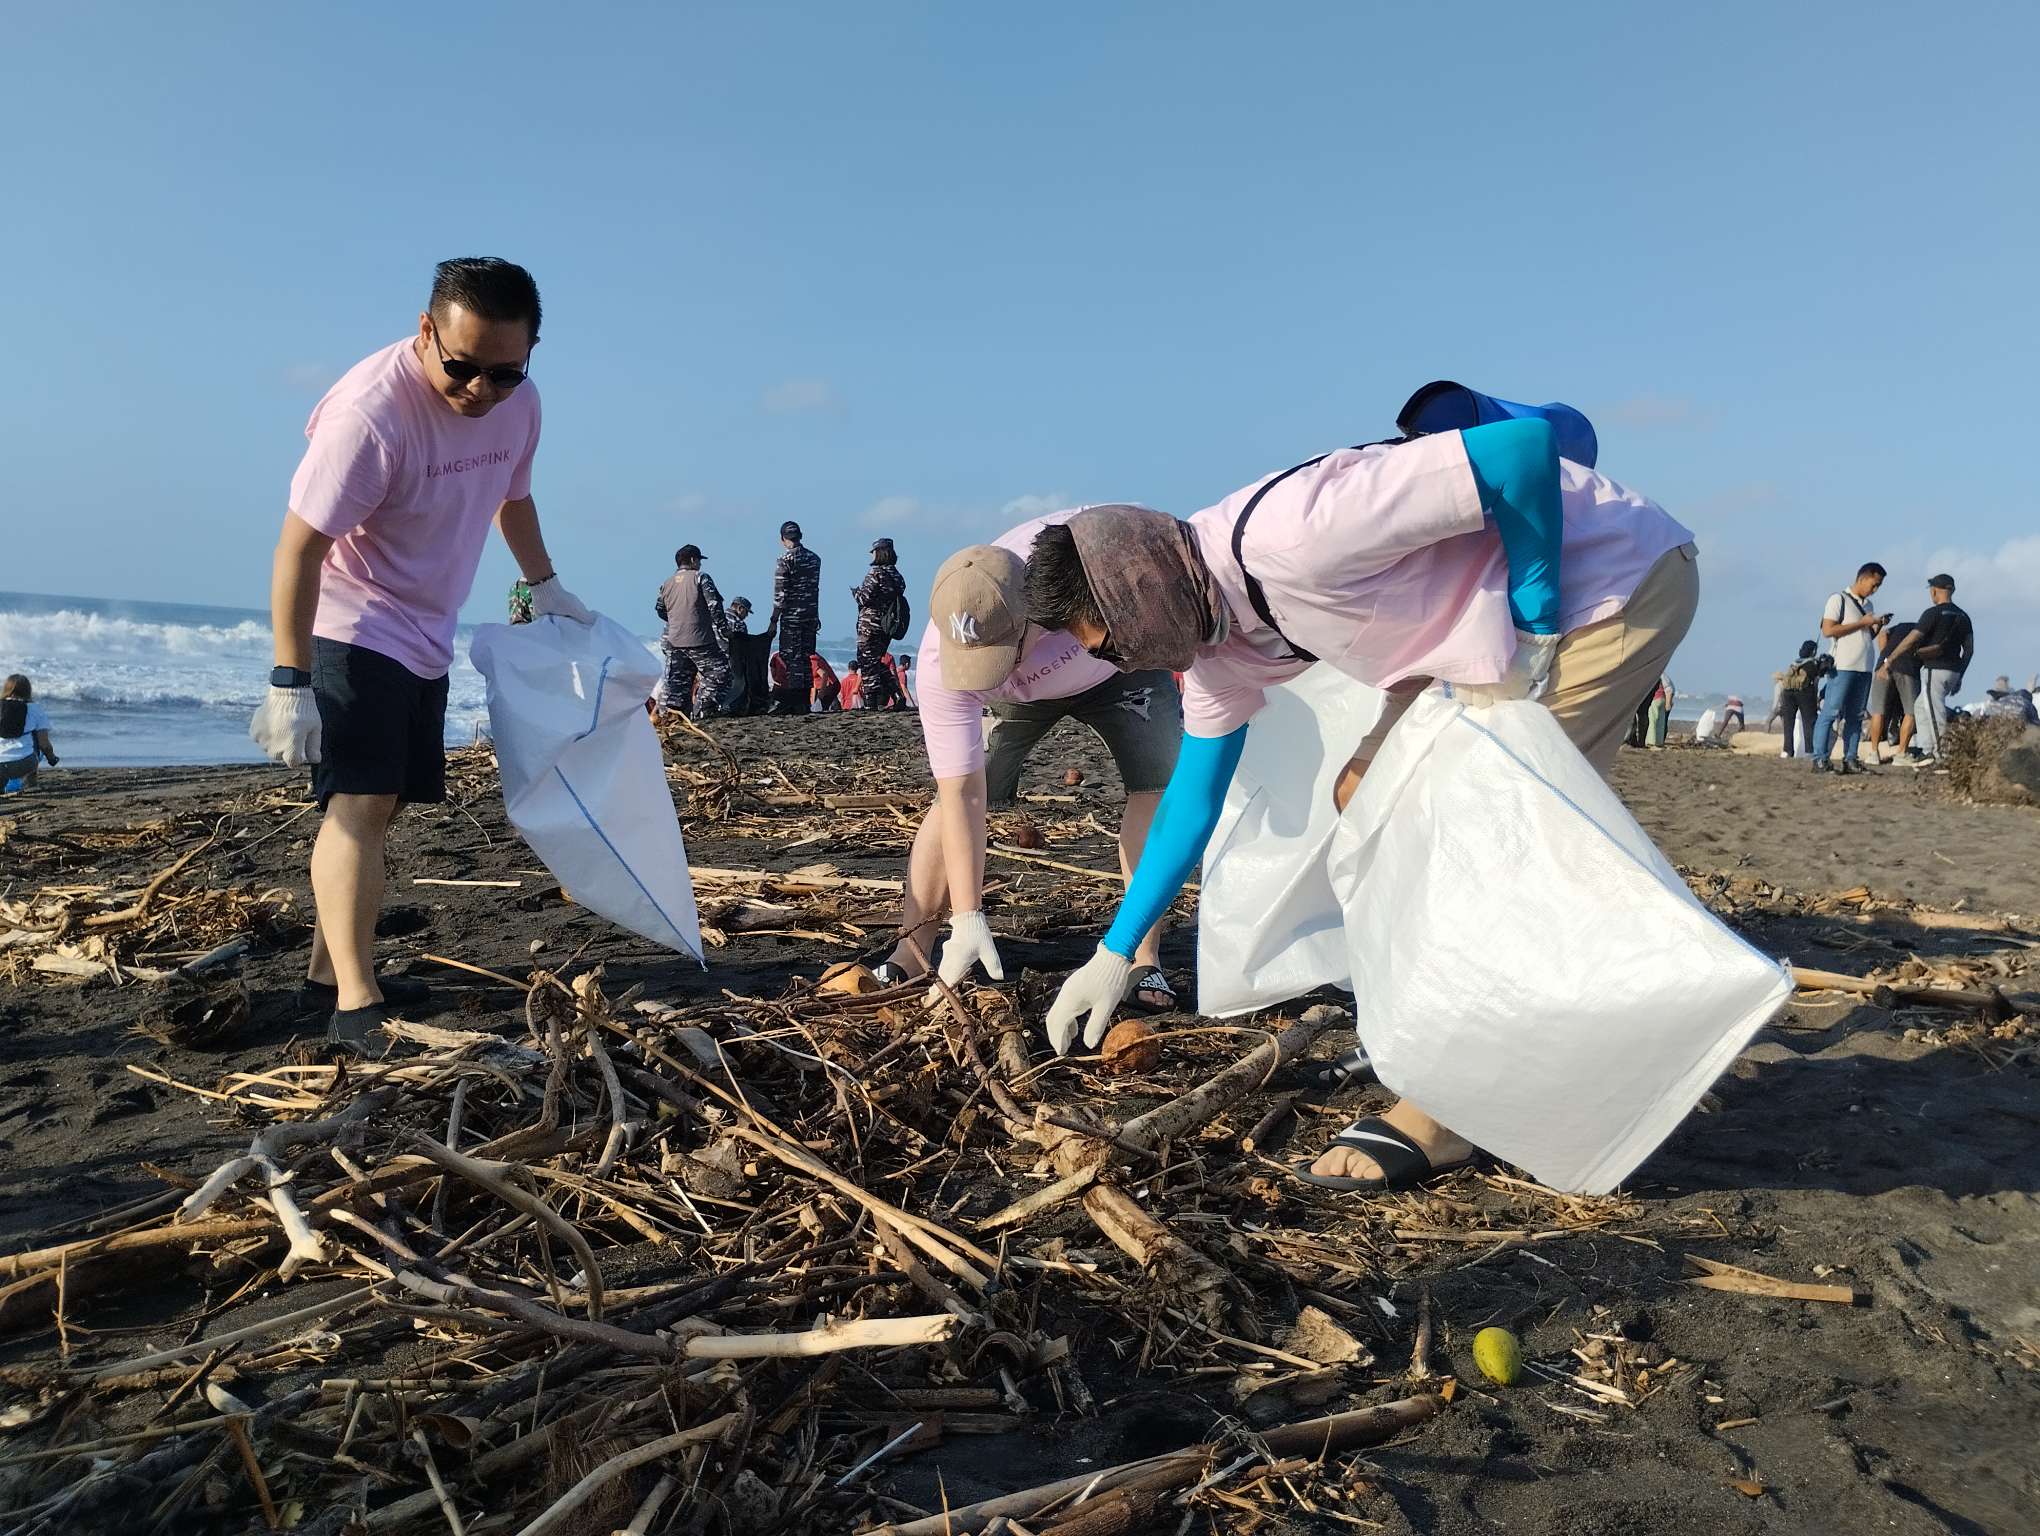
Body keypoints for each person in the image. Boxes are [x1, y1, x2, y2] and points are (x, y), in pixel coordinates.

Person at [1026, 413, 1698, 1192]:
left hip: (1604, 584)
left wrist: (1537, 615)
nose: (1116, 661)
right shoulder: (1213, 641)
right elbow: (1192, 799)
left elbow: (1518, 451)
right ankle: (1427, 1017)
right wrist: (1115, 951)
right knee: (1364, 790)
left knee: (1472, 829)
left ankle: (1448, 1111)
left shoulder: (1297, 533)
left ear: (1140, 591)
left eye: (1108, 640)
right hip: (1463, 628)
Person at [247, 258, 591, 1047]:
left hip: (428, 632)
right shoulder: (370, 418)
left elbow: (515, 495)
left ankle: (326, 973)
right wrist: (289, 681)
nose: (480, 390)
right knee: (359, 805)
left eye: (504, 373)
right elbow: (298, 550)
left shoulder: (518, 405)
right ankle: (358, 1006)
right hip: (351, 621)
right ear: (426, 331)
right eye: (462, 368)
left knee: (386, 802)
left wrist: (545, 584)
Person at [880, 521, 1183, 1011]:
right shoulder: (940, 663)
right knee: (950, 800)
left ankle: (1143, 959)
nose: (985, 668)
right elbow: (963, 794)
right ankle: (913, 950)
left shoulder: (1092, 567)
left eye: (999, 653)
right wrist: (969, 916)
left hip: (1119, 665)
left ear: (1036, 616)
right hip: (1021, 696)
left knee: (1155, 787)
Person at [1879, 574, 1973, 760]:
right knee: (1921, 707)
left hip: (1935, 670)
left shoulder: (1933, 613)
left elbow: (1911, 639)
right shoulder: (1963, 616)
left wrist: (1889, 660)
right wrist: (1960, 675)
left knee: (1934, 711)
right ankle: (1927, 749)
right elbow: (1969, 650)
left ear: (1934, 591)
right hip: (1953, 671)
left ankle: (1941, 755)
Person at [1811, 562, 1887, 774]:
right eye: (1874, 584)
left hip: (1864, 666)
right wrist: (1862, 623)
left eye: (1879, 586)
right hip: (1842, 665)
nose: (1875, 589)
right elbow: (1828, 630)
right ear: (1863, 578)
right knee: (1831, 712)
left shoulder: (1868, 605)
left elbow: (1865, 635)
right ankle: (1820, 758)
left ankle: (1850, 758)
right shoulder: (1838, 600)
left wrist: (1876, 625)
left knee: (1856, 715)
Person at [655, 545, 731, 718]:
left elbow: (660, 609)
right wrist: (724, 630)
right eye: (698, 560)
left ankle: (676, 715)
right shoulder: (700, 578)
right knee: (721, 673)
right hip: (699, 639)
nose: (700, 564)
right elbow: (714, 605)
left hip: (674, 640)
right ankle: (704, 708)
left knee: (679, 682)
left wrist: (676, 621)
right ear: (692, 560)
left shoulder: (667, 583)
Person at [770, 520, 822, 715]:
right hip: (810, 614)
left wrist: (774, 620)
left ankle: (793, 700)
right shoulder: (814, 559)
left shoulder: (784, 560)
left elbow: (780, 595)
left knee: (791, 658)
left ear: (783, 539)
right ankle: (803, 701)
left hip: (792, 617)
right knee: (806, 657)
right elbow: (814, 589)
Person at [852, 538, 909, 710]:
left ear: (879, 553)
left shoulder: (875, 573)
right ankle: (897, 694)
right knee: (876, 661)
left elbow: (864, 598)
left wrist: (855, 593)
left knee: (866, 661)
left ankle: (871, 702)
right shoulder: (897, 576)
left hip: (870, 624)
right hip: (887, 625)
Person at [1866, 613, 1920, 762]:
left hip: (1882, 668)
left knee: (1878, 711)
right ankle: (1901, 753)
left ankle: (1873, 753)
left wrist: (1885, 656)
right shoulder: (1925, 630)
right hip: (1907, 668)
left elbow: (1883, 633)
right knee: (1911, 712)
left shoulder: (1900, 626)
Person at [0, 675, 58, 791]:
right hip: (24, 764)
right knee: (35, 741)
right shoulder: (34, 708)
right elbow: (44, 745)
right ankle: (30, 783)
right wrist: (52, 759)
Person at [1777, 641, 1822, 758]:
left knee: (1788, 723)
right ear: (1813, 651)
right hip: (1804, 693)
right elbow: (1816, 680)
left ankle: (1787, 750)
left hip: (1788, 693)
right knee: (1809, 722)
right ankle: (1809, 751)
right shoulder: (1812, 664)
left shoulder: (1794, 663)